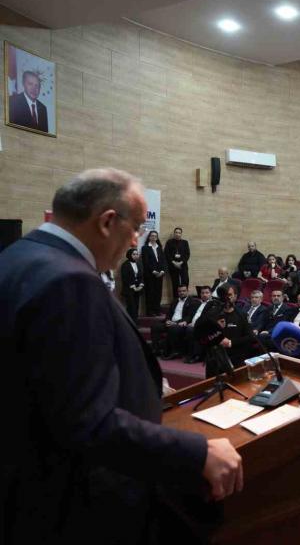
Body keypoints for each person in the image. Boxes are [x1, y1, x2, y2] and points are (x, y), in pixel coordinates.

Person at [0, 168, 243, 543]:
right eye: (136, 228)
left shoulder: (19, 256)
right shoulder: (69, 281)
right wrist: (196, 453)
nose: (135, 240)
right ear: (107, 221)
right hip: (71, 505)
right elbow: (87, 422)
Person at [150, 284, 201, 358]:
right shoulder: (175, 301)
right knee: (155, 326)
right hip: (170, 322)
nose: (182, 293)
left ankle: (173, 351)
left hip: (181, 324)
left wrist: (175, 323)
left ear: (187, 291)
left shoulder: (193, 302)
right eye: (180, 291)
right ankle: (156, 349)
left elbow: (189, 316)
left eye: (183, 291)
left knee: (173, 328)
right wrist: (167, 320)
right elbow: (169, 313)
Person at [141, 230, 166, 316]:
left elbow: (163, 260)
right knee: (150, 293)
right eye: (152, 235)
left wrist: (162, 271)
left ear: (157, 238)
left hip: (160, 274)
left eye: (155, 236)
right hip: (150, 274)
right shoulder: (145, 248)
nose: (154, 237)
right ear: (149, 237)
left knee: (158, 293)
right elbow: (146, 262)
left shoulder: (159, 247)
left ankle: (157, 310)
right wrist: (154, 271)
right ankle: (150, 311)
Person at [120, 248, 143, 321]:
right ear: (129, 255)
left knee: (136, 305)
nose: (136, 256)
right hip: (129, 288)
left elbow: (141, 276)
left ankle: (135, 320)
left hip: (137, 287)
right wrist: (133, 287)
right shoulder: (125, 265)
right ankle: (131, 321)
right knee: (131, 306)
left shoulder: (139, 264)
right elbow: (125, 278)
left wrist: (141, 285)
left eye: (137, 254)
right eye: (134, 254)